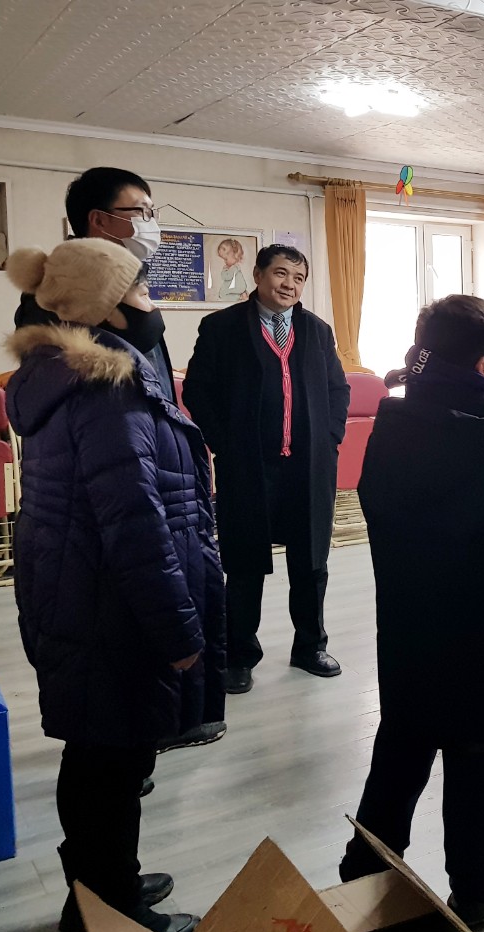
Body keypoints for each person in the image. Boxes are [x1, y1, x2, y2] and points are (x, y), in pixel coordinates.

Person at [4, 239, 225, 932]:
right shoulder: (106, 387)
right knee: (115, 761)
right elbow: (133, 522)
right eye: (141, 291)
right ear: (105, 306)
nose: (152, 305)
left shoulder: (59, 374)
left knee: (96, 751)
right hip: (113, 606)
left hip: (76, 590)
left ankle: (97, 888)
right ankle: (116, 912)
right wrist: (179, 632)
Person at [338, 295, 484, 926]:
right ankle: (479, 883)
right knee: (476, 760)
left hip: (407, 625)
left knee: (400, 747)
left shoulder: (391, 428)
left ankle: (364, 877)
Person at [182, 245, 350, 695]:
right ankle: (239, 654)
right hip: (248, 466)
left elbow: (338, 389)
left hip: (308, 467)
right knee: (243, 563)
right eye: (280, 273)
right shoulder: (221, 328)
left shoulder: (317, 331)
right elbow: (198, 390)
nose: (289, 285)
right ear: (257, 275)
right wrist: (224, 444)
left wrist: (330, 437)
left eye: (298, 277)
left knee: (311, 562)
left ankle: (310, 646)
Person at [15, 167, 175, 402]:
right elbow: (55, 386)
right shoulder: (57, 290)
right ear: (99, 219)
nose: (150, 222)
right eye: (140, 211)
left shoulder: (131, 281)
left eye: (152, 212)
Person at [214, 238, 250, 302]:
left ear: (235, 255)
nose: (225, 262)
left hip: (236, 289)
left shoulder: (234, 268)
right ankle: (242, 295)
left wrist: (224, 270)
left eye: (226, 259)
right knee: (223, 294)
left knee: (224, 295)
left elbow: (226, 277)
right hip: (236, 288)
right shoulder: (235, 267)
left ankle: (241, 296)